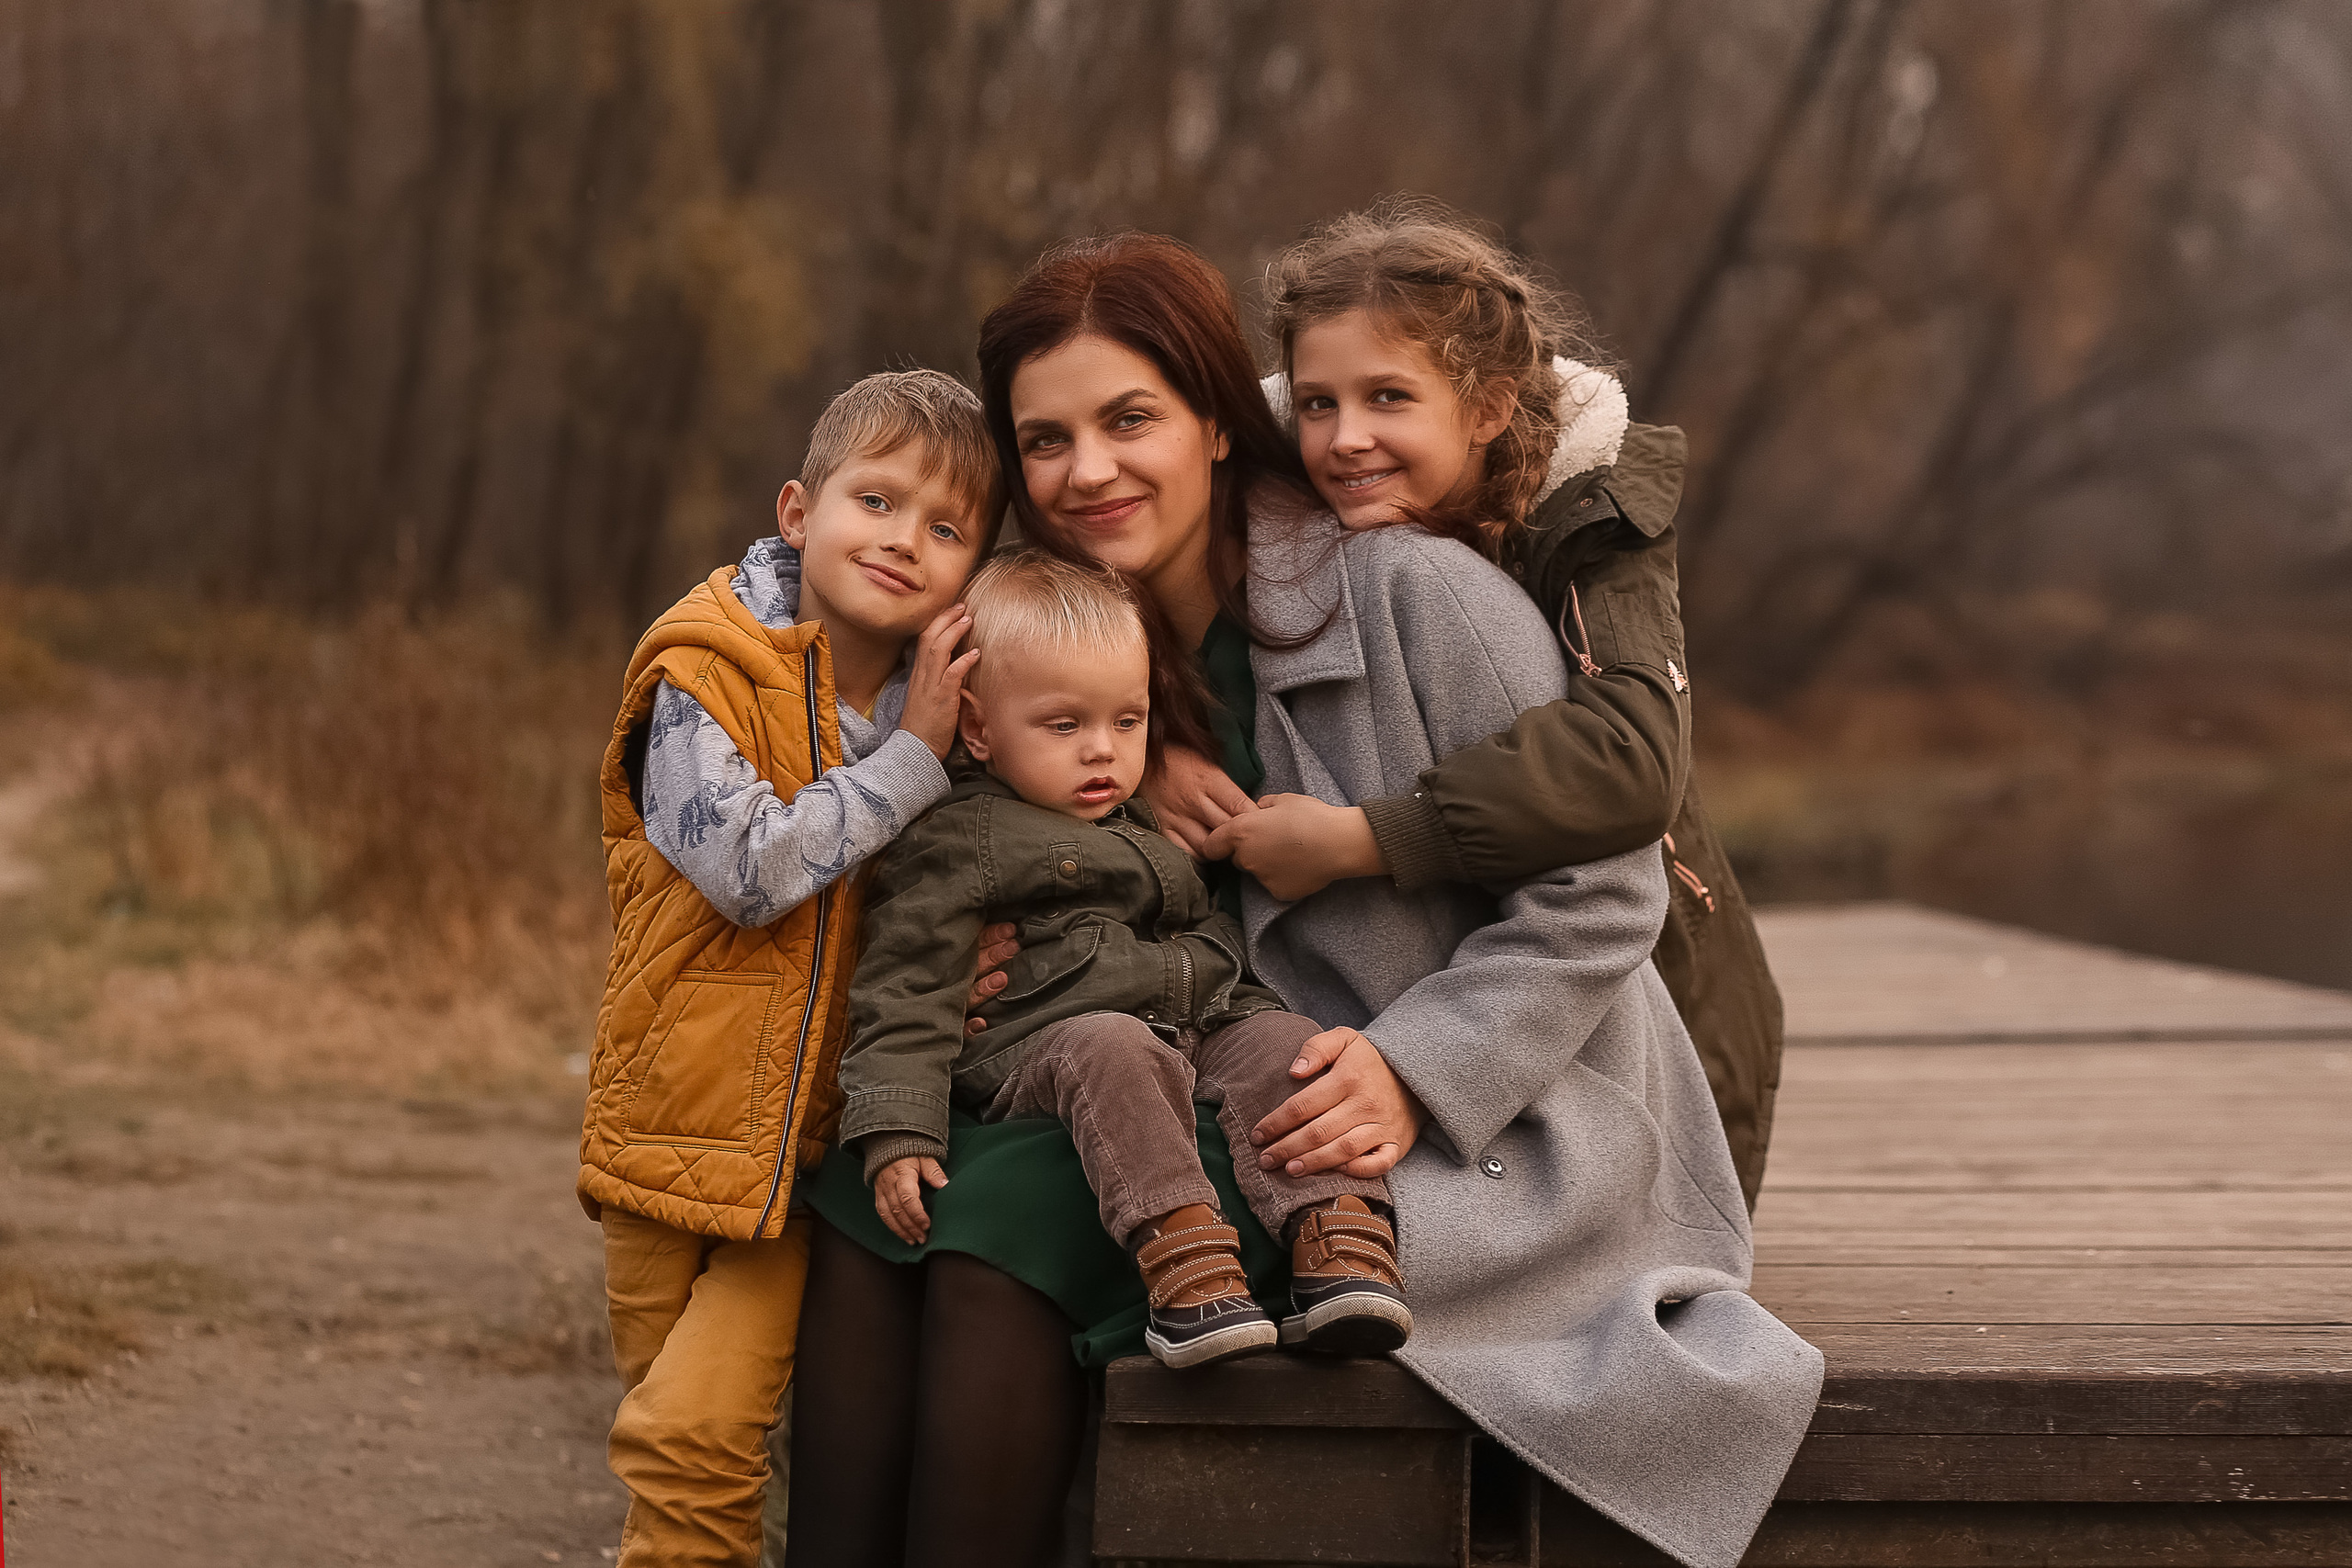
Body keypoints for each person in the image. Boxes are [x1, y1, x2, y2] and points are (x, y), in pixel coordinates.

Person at [575, 368, 998, 1568]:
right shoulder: (701, 668)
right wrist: (912, 759)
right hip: (667, 1125)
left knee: (693, 1436)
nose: (906, 540)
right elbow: (752, 869)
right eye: (879, 499)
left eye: (948, 526)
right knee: (678, 1449)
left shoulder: (948, 706)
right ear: (800, 510)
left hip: (808, 1166)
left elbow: (948, 885)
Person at [839, 548, 1408, 1370]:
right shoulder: (959, 835)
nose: (1103, 751)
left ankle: (1341, 1237)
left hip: (1192, 1014)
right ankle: (1186, 1263)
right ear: (977, 726)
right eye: (1065, 725)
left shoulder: (1139, 817)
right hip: (1047, 1044)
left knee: (1296, 1043)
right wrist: (896, 1126)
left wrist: (1232, 990)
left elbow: (1197, 917)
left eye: (1127, 721)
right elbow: (906, 979)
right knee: (1110, 1046)